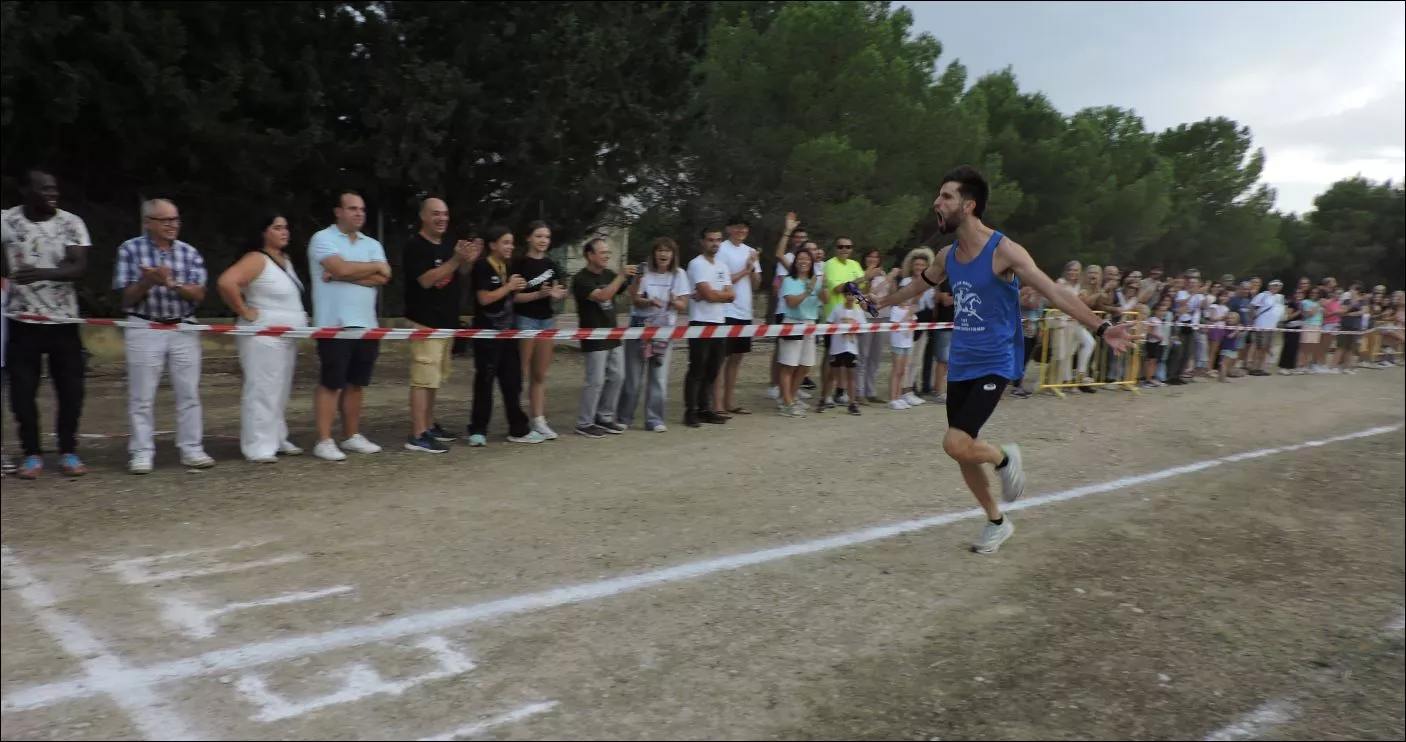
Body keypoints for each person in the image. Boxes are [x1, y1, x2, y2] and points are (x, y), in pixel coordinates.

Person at [873, 166, 1131, 555]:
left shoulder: (1004, 251)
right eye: (938, 196)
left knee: (956, 442)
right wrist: (881, 302)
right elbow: (917, 286)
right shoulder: (948, 256)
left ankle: (1006, 456)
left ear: (969, 204)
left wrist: (1100, 327)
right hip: (962, 359)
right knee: (962, 449)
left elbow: (1053, 292)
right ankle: (996, 521)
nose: (936, 203)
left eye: (946, 197)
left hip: (995, 359)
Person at [113, 199, 215, 474]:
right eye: (165, 220)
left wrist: (171, 283)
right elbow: (125, 298)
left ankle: (192, 448)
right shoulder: (130, 249)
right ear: (148, 222)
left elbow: (199, 294)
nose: (172, 225)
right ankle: (141, 452)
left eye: (175, 219)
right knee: (142, 395)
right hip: (144, 326)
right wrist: (148, 281)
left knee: (189, 392)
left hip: (182, 327)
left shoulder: (188, 252)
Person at [2, 170, 91, 479]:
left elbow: (78, 266)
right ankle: (31, 454)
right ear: (26, 190)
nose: (53, 193)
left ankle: (68, 450)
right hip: (21, 320)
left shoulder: (70, 223)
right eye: (45, 189)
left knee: (71, 391)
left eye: (55, 188)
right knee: (23, 393)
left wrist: (41, 273)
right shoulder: (7, 221)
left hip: (63, 321)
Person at [217, 212, 309, 463]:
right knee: (262, 389)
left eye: (286, 227)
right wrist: (245, 311)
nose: (284, 231)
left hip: (285, 337)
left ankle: (276, 437)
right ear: (264, 232)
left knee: (279, 390)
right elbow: (227, 282)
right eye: (277, 227)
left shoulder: (285, 260)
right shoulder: (256, 258)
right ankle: (258, 445)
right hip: (262, 336)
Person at [308, 190, 390, 461]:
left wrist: (345, 274)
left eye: (362, 209)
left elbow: (385, 275)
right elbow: (341, 269)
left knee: (356, 383)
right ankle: (324, 439)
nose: (359, 214)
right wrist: (368, 268)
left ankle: (351, 436)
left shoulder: (372, 243)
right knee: (331, 383)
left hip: (367, 325)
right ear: (338, 212)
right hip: (334, 324)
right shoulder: (322, 239)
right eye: (353, 208)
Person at [401, 197, 479, 453]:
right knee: (422, 379)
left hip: (445, 324)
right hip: (424, 322)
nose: (442, 218)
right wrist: (457, 260)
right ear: (423, 216)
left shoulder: (447, 245)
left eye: (445, 214)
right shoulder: (415, 246)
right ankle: (418, 434)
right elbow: (426, 280)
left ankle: (429, 424)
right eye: (436, 214)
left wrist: (468, 260)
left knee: (433, 379)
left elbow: (459, 273)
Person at [466, 226, 544, 445]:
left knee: (512, 380)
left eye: (511, 243)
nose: (510, 247)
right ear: (493, 245)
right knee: (485, 380)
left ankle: (518, 428)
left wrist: (539, 294)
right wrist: (508, 287)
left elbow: (512, 298)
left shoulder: (507, 267)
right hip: (486, 332)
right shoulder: (482, 266)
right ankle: (478, 430)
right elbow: (484, 298)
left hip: (508, 332)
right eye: (505, 242)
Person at [618, 236, 689, 431]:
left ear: (673, 255)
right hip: (640, 326)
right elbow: (634, 300)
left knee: (658, 377)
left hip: (664, 330)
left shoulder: (679, 275)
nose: (663, 254)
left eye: (667, 250)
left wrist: (675, 301)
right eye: (659, 250)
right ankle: (624, 418)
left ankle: (655, 419)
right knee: (632, 377)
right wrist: (648, 301)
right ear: (654, 253)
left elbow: (683, 305)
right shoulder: (644, 272)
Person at [572, 237, 638, 438]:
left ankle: (605, 417)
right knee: (596, 380)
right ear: (590, 255)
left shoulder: (610, 274)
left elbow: (629, 294)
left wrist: (637, 279)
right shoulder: (581, 279)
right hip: (594, 336)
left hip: (612, 334)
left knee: (618, 377)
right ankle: (585, 422)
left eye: (608, 253)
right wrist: (620, 276)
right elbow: (602, 296)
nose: (606, 256)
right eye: (602, 252)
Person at [513, 221, 567, 440]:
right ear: (528, 238)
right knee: (520, 373)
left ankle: (539, 419)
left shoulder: (552, 264)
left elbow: (560, 289)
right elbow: (514, 297)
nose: (543, 240)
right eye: (539, 236)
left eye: (546, 237)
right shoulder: (519, 263)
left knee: (540, 374)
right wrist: (538, 295)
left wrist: (557, 294)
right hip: (525, 320)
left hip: (546, 321)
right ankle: (516, 420)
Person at [682, 228, 734, 427]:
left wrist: (715, 294)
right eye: (711, 240)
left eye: (718, 240)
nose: (715, 243)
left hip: (719, 322)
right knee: (697, 368)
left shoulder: (722, 265)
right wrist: (717, 295)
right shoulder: (696, 264)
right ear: (702, 242)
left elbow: (731, 294)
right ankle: (691, 411)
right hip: (700, 322)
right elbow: (711, 295)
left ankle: (706, 408)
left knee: (713, 368)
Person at [715, 215, 761, 417]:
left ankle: (729, 401)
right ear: (729, 229)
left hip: (745, 311)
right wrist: (746, 269)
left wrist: (752, 269)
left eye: (745, 228)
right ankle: (716, 403)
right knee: (720, 358)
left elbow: (756, 285)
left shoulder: (750, 251)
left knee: (737, 358)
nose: (742, 231)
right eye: (738, 227)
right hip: (726, 311)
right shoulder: (722, 250)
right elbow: (723, 281)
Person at [775, 247, 822, 417]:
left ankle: (791, 398)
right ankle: (787, 402)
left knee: (806, 365)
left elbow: (825, 299)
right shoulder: (789, 280)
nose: (804, 262)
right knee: (789, 365)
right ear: (795, 262)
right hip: (793, 323)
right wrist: (808, 290)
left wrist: (824, 286)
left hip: (810, 323)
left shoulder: (815, 280)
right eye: (801, 258)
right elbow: (792, 303)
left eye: (807, 259)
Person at [767, 213, 809, 400]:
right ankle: (776, 386)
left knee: (801, 358)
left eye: (803, 238)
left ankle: (792, 390)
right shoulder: (793, 261)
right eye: (797, 237)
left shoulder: (811, 264)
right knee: (783, 353)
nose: (800, 240)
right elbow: (779, 256)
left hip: (806, 315)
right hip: (786, 311)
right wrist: (787, 230)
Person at [820, 237, 864, 406]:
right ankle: (826, 395)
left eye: (848, 247)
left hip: (853, 317)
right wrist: (862, 279)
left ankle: (841, 391)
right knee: (830, 359)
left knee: (848, 359)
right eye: (840, 246)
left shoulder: (854, 265)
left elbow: (861, 290)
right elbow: (839, 288)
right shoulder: (830, 265)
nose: (844, 249)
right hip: (834, 318)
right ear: (835, 248)